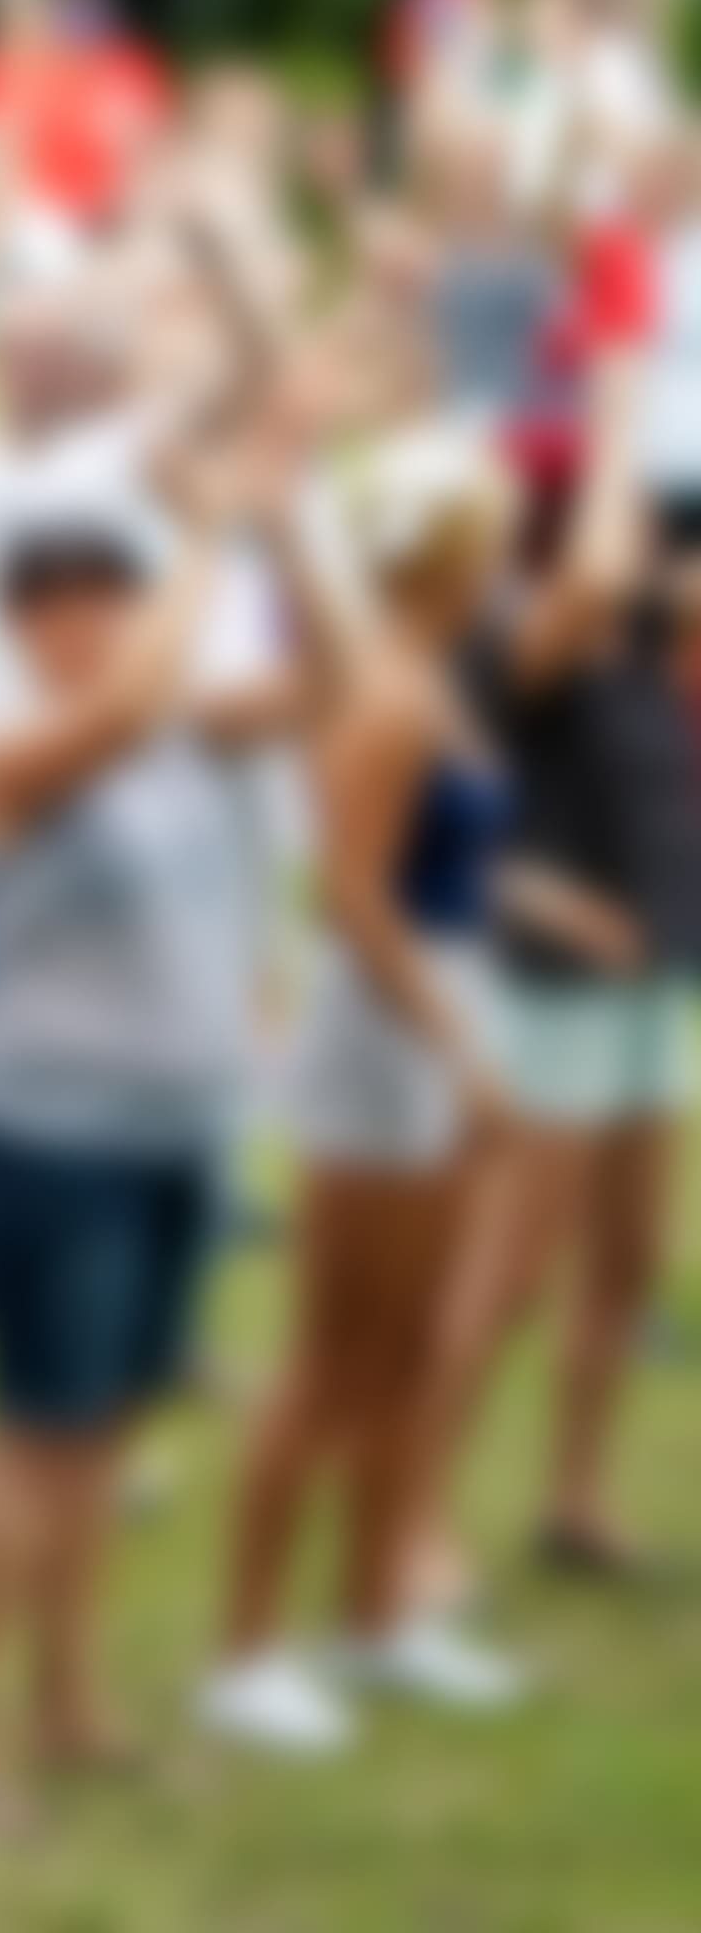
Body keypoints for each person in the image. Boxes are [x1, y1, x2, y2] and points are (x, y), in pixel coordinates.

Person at [0, 427, 310, 1822]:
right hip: (54, 1138)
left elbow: (331, 681)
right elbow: (139, 704)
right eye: (61, 599)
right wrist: (203, 539)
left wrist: (280, 530)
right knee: (36, 1429)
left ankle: (72, 1704)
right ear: (23, 627)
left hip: (176, 1129)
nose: (92, 618)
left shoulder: (187, 727)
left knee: (113, 1425)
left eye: (111, 591)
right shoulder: (11, 755)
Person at [201, 427, 521, 1758]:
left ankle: (377, 1614)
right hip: (383, 1031)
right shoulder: (389, 695)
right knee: (334, 1354)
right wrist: (456, 1041)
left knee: (411, 1347)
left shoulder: (421, 674)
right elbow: (352, 890)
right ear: (452, 557)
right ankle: (248, 1648)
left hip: (434, 1010)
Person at [412, 349, 699, 1597]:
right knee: (509, 1266)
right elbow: (593, 574)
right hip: (548, 992)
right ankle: (414, 1518)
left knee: (628, 1258)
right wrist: (627, 384)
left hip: (652, 981)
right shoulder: (522, 640)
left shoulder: (652, 654)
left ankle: (575, 1497)